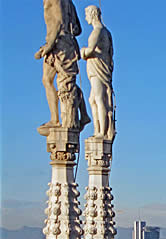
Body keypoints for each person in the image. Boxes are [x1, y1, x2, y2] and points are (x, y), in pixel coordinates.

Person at [35, 0, 90, 134]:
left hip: (57, 45)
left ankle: (55, 119)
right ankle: (84, 114)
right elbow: (78, 29)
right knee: (66, 82)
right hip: (67, 43)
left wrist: (48, 47)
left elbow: (58, 23)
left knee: (49, 81)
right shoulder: (69, 3)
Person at [81, 5, 115, 140]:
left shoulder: (97, 32)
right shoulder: (106, 32)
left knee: (99, 99)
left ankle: (101, 132)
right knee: (93, 99)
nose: (85, 18)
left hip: (98, 70)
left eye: (86, 14)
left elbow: (90, 50)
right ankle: (98, 129)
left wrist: (82, 51)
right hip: (100, 68)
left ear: (92, 14)